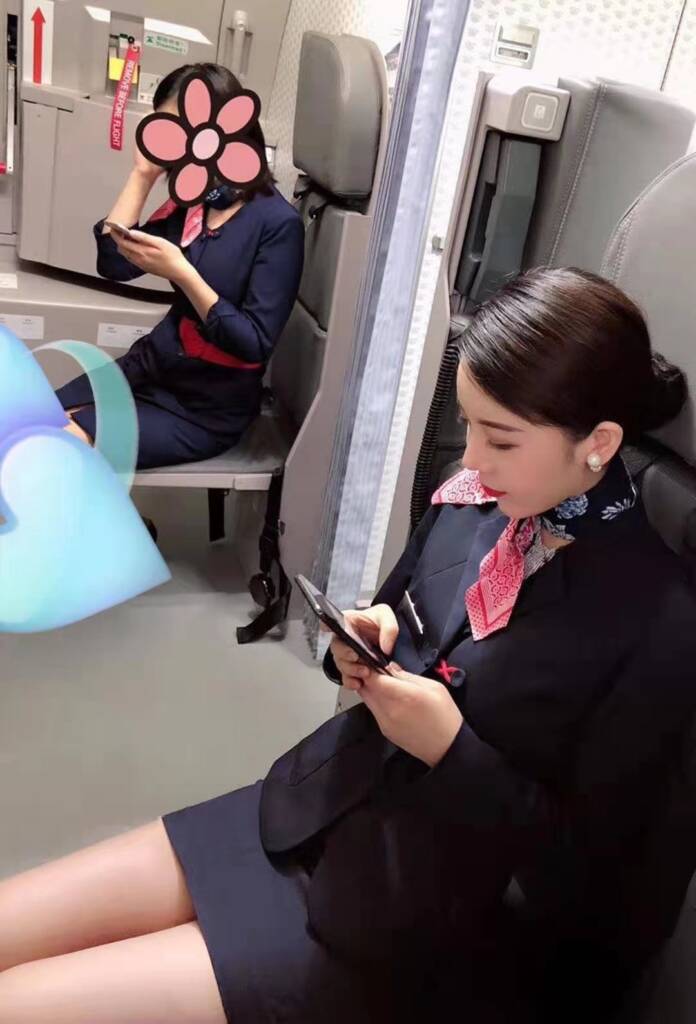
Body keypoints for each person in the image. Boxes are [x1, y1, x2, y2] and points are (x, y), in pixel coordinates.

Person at [2, 267, 695, 1023]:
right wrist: (366, 639)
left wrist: (451, 749)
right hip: (314, 808)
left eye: (500, 439)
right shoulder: (475, 502)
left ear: (599, 443)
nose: (471, 459)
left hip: (419, 926)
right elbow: (399, 610)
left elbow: (597, 895)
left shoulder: (657, 621)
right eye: (467, 426)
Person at [59, 63, 305, 470]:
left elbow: (255, 342)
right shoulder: (192, 202)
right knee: (32, 419)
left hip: (206, 407)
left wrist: (184, 274)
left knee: (55, 445)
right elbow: (113, 263)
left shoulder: (278, 223)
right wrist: (142, 175)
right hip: (152, 367)